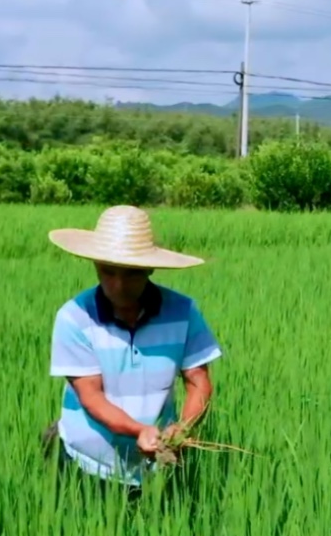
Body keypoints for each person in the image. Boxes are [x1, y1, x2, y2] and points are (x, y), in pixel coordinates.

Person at [41, 205, 223, 489]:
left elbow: (199, 382)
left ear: (150, 268)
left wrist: (184, 428)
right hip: (85, 463)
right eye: (108, 271)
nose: (118, 284)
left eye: (131, 273)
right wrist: (139, 430)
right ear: (95, 265)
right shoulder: (75, 316)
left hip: (154, 468)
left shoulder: (183, 311)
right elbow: (90, 396)